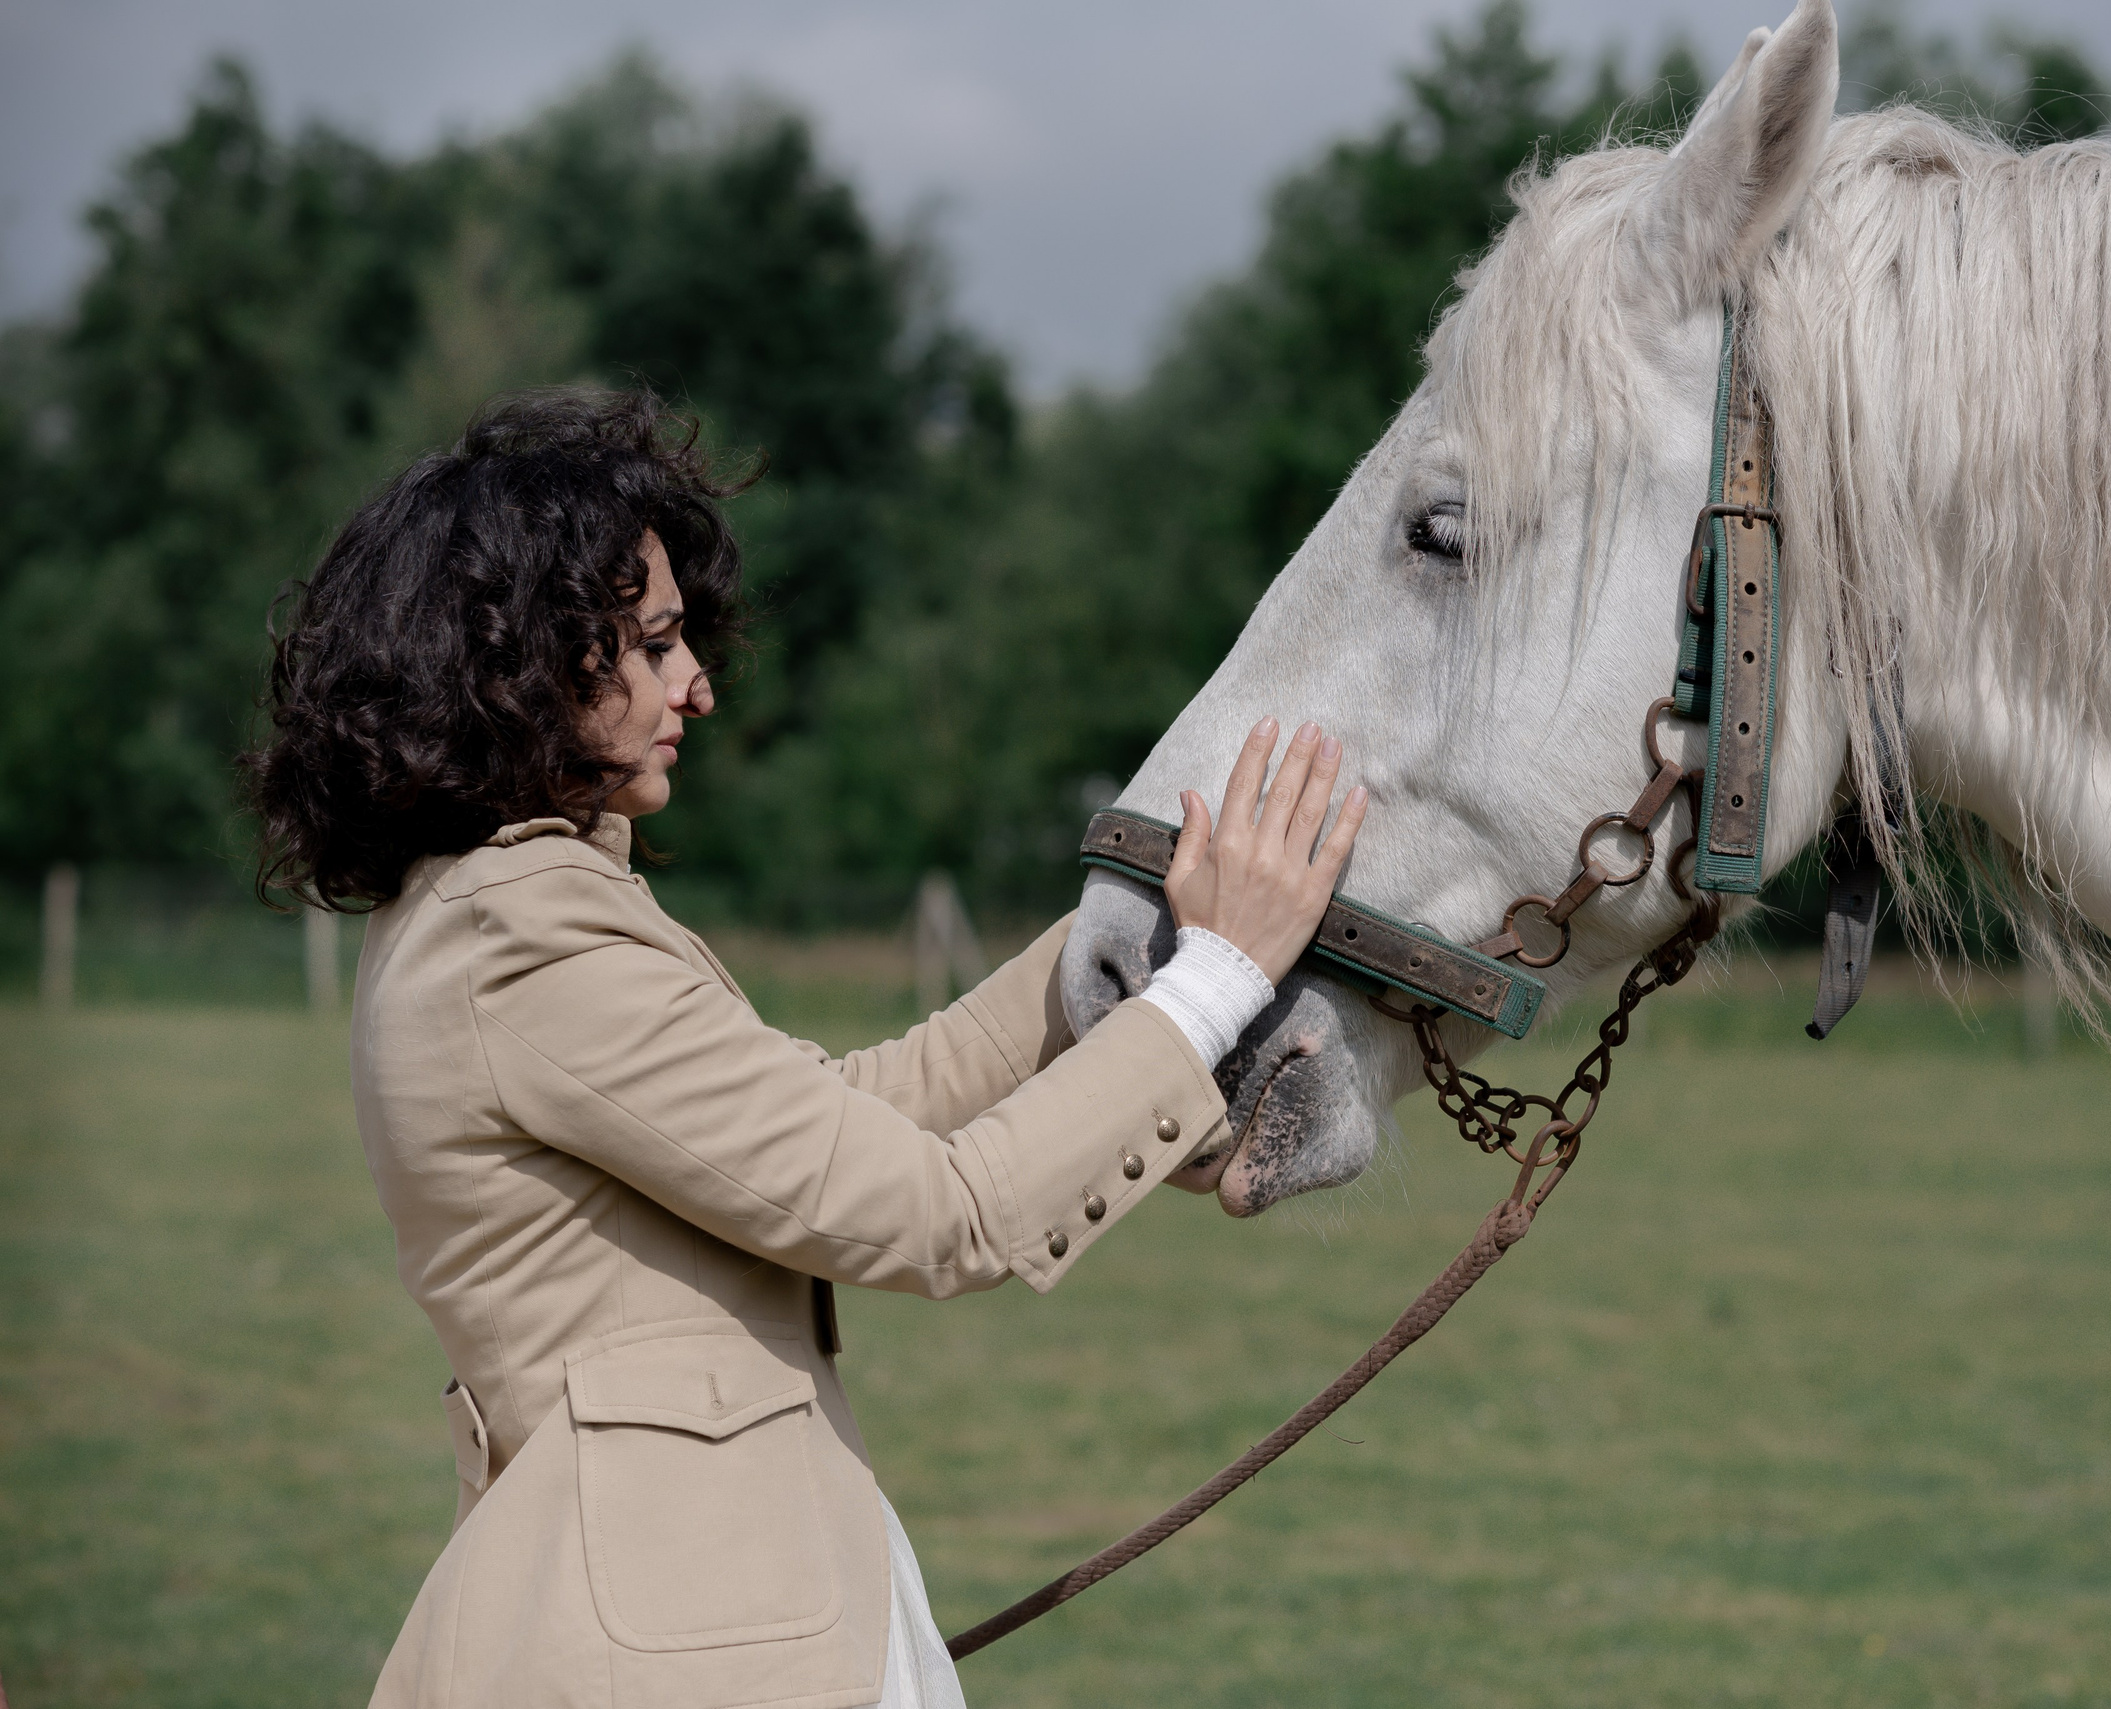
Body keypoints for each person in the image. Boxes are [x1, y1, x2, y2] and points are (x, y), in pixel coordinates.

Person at [243, 388, 1365, 1709]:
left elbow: (845, 1116)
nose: (696, 683)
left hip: (733, 1609)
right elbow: (936, 1213)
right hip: (691, 1651)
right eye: (655, 643)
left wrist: (1110, 949)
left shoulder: (495, 914)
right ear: (525, 662)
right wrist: (1221, 977)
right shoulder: (519, 932)